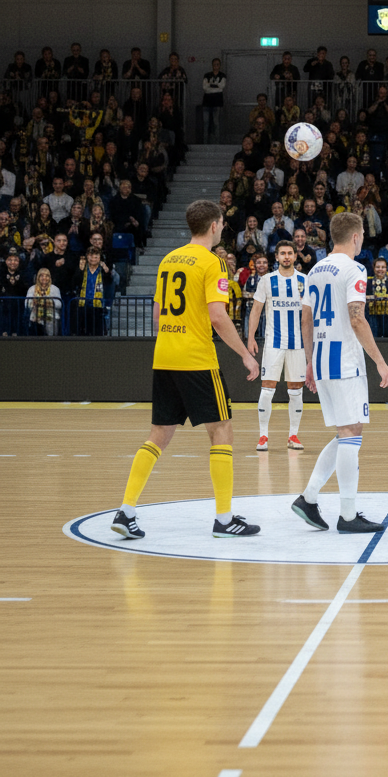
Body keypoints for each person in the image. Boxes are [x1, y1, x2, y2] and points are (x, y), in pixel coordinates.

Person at [110, 199, 261, 540]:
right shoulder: (213, 262)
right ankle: (224, 519)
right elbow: (218, 316)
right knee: (221, 429)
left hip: (165, 355)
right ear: (214, 226)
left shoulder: (169, 259)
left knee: (158, 435)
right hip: (196, 358)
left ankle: (126, 510)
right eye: (221, 224)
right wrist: (245, 355)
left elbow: (157, 313)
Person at [290, 212, 388, 534]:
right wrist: (380, 361)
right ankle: (347, 515)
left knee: (345, 433)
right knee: (351, 434)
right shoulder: (354, 269)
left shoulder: (315, 270)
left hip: (322, 359)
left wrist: (309, 361)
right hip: (345, 360)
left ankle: (308, 498)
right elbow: (357, 318)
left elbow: (305, 319)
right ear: (356, 236)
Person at [246, 240, 308, 453]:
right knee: (267, 389)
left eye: (290, 253)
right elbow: (256, 310)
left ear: (295, 256)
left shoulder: (305, 280)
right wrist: (251, 337)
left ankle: (293, 435)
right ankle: (263, 436)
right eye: (283, 253)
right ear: (277, 257)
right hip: (274, 343)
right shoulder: (267, 280)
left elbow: (310, 315)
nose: (286, 257)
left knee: (296, 390)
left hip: (298, 344)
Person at [201, 58, 227, 143]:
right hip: (207, 101)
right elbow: (205, 88)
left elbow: (222, 87)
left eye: (217, 64)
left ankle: (217, 142)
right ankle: (205, 142)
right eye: (214, 64)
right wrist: (216, 86)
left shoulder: (222, 75)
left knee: (216, 122)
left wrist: (210, 85)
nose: (216, 66)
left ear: (220, 65)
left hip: (217, 101)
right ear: (212, 65)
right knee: (206, 123)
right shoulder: (207, 75)